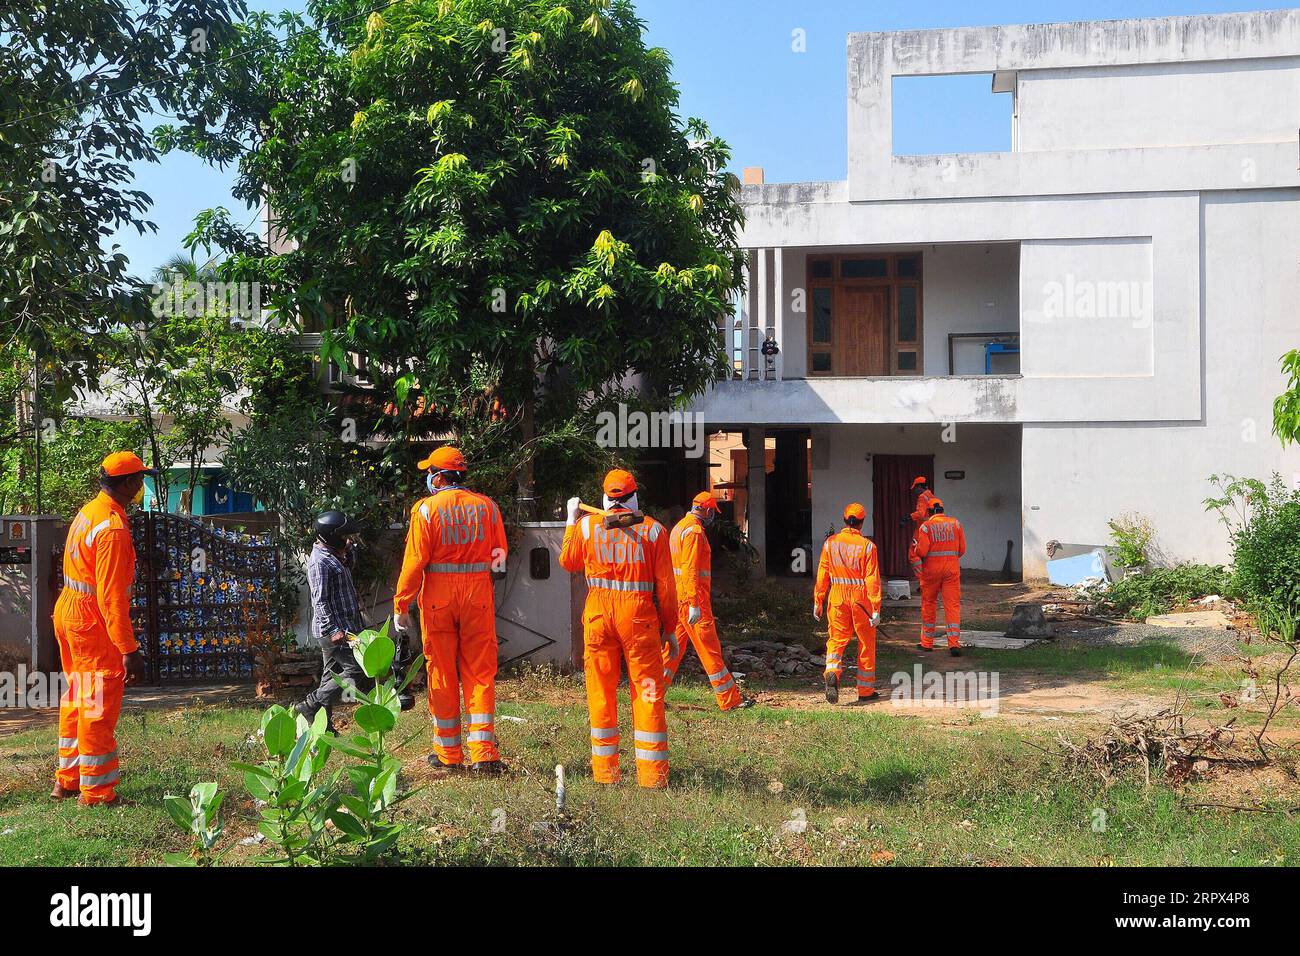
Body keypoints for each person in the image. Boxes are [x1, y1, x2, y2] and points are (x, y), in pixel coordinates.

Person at [393, 446, 508, 773]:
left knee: (441, 671)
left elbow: (414, 563)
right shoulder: (488, 508)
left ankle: (448, 755)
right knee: (480, 672)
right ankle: (484, 753)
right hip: (478, 596)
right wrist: (485, 584)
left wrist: (402, 604)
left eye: (430, 472)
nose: (428, 478)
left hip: (438, 600)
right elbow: (500, 557)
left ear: (439, 477)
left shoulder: (426, 511)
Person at [560, 469, 676, 788]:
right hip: (639, 618)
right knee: (648, 691)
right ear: (634, 496)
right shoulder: (653, 532)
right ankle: (652, 777)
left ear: (605, 498)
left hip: (598, 617)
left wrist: (571, 519)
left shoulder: (586, 527)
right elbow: (666, 587)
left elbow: (568, 562)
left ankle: (605, 774)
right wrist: (671, 628)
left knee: (601, 691)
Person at [52, 452, 151, 806]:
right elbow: (112, 598)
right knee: (96, 703)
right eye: (139, 479)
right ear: (127, 484)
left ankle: (68, 779)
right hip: (93, 621)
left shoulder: (89, 511)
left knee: (79, 698)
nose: (142, 485)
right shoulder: (111, 527)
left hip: (71, 612)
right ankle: (96, 793)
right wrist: (129, 650)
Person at [662, 491, 752, 711]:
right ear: (707, 510)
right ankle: (730, 700)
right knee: (710, 650)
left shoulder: (679, 529)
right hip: (694, 602)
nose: (713, 516)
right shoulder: (694, 532)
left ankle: (651, 695)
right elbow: (691, 569)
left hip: (680, 599)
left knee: (671, 652)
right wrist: (694, 603)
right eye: (712, 511)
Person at [296, 510, 370, 730]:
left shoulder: (333, 555)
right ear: (330, 536)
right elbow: (320, 601)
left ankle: (323, 725)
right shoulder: (319, 562)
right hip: (335, 631)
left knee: (329, 677)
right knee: (355, 669)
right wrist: (334, 630)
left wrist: (348, 553)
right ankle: (310, 704)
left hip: (342, 627)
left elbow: (348, 571)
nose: (348, 540)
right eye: (344, 537)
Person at [814, 503, 883, 705]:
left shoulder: (830, 543)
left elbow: (822, 574)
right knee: (866, 643)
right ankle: (865, 690)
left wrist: (818, 600)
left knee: (836, 640)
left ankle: (832, 670)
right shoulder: (868, 546)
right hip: (861, 600)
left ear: (845, 520)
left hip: (836, 597)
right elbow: (872, 579)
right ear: (862, 522)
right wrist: (876, 608)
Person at [910, 497, 966, 656]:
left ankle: (927, 643)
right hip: (951, 571)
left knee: (928, 604)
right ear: (942, 510)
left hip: (931, 572)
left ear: (929, 512)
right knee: (952, 605)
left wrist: (915, 548)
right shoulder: (956, 524)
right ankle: (954, 644)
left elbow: (922, 552)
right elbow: (962, 550)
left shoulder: (926, 527)